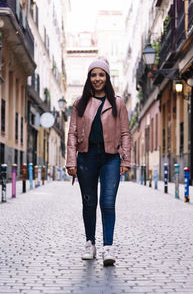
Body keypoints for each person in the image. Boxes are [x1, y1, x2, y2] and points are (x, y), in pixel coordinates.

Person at [66, 57, 131, 266]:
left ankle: (108, 247)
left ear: (107, 77)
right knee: (89, 202)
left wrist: (126, 160)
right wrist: (71, 161)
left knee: (108, 202)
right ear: (89, 78)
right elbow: (72, 134)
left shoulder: (117, 102)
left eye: (101, 75)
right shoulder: (79, 103)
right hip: (86, 156)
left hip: (111, 157)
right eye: (93, 75)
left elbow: (125, 133)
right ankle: (90, 243)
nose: (97, 79)